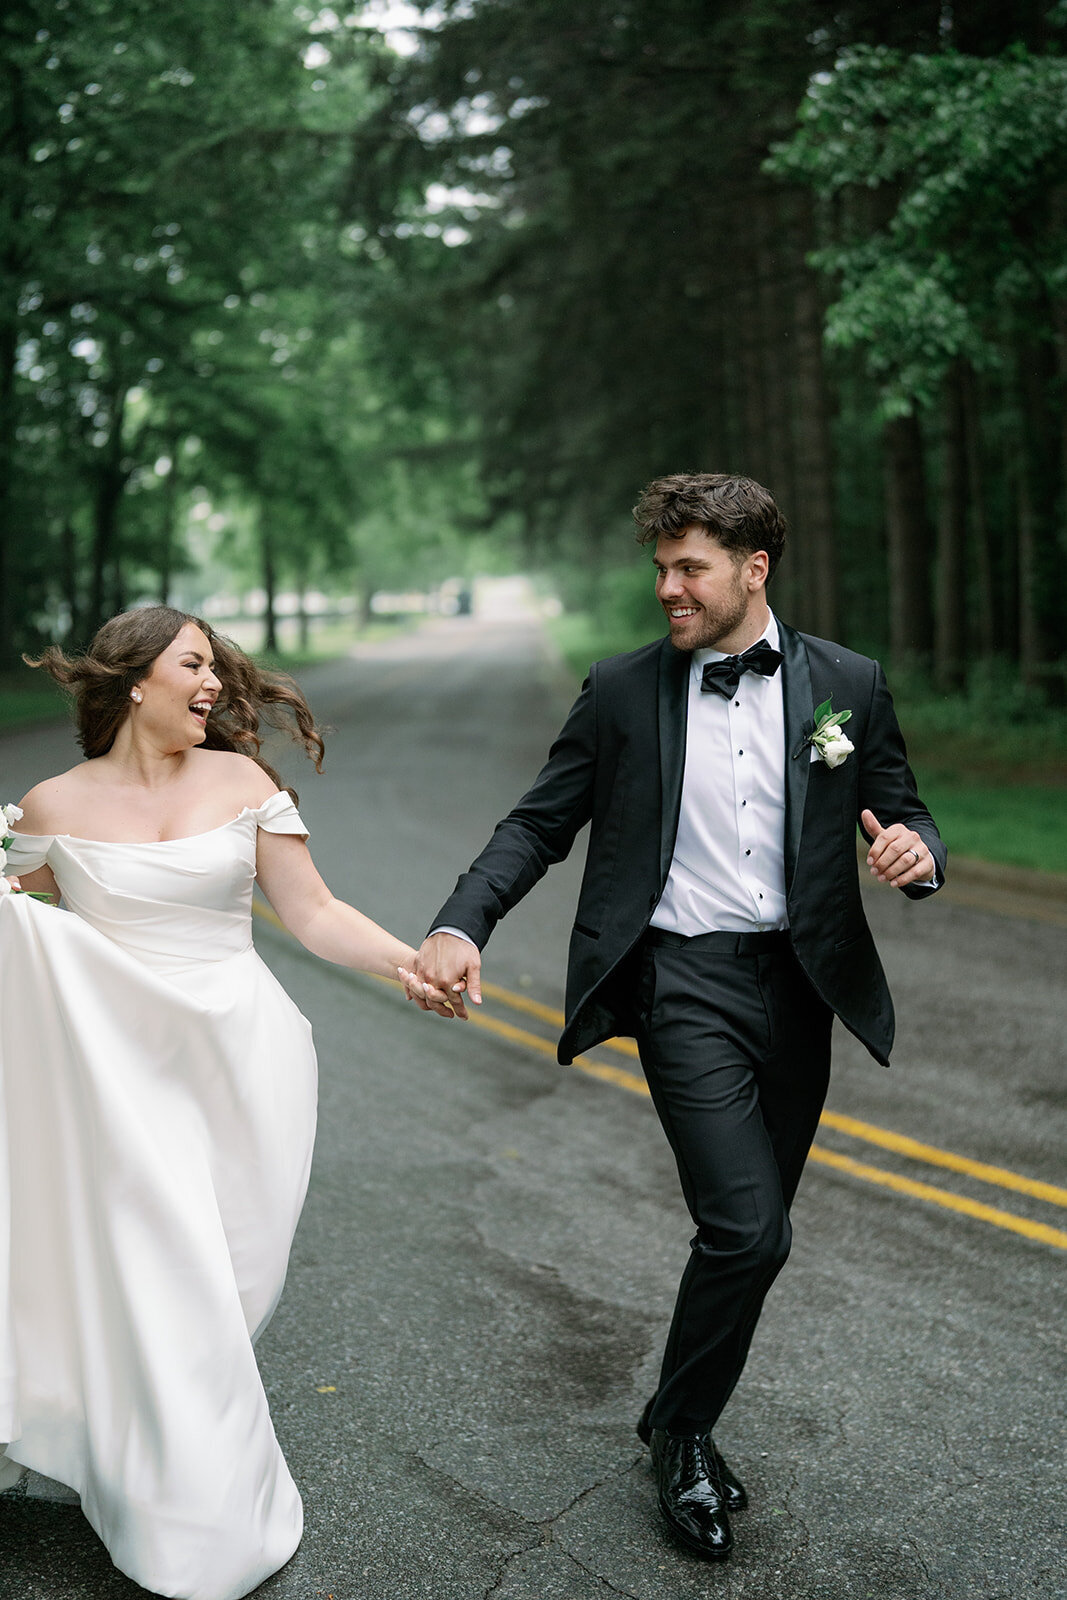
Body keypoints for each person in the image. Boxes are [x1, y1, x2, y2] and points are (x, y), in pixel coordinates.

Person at [408, 473, 946, 1563]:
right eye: (659, 566)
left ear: (753, 570)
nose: (667, 586)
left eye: (687, 566)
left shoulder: (845, 682)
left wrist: (918, 852)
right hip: (680, 984)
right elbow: (535, 824)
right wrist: (462, 924)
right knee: (748, 1227)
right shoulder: (619, 691)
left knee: (748, 1242)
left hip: (800, 987)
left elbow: (902, 802)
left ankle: (672, 1412)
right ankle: (684, 1437)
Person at [0, 606, 447, 1600]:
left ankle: (136, 1440)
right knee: (167, 1281)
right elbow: (13, 922)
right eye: (194, 663)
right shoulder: (54, 804)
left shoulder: (242, 782)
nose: (217, 681)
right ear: (132, 681)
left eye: (214, 664)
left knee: (231, 1275)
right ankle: (192, 1513)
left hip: (239, 1059)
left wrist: (406, 962)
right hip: (117, 1078)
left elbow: (314, 912)